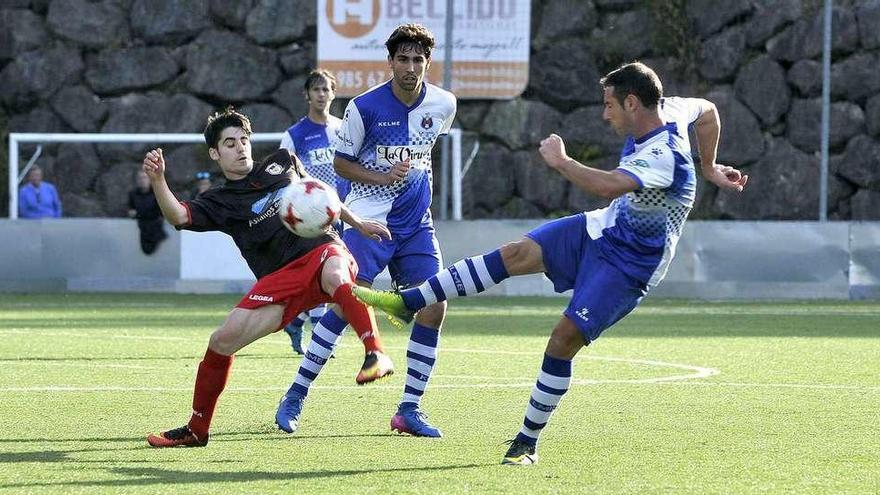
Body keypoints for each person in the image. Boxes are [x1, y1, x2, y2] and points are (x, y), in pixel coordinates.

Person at [354, 62, 749, 464]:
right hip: (601, 228)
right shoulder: (673, 109)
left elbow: (607, 184)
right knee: (516, 253)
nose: (604, 113)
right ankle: (409, 301)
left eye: (610, 105)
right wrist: (710, 167)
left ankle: (526, 441)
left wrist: (561, 162)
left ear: (633, 103)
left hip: (631, 265)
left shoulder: (665, 157)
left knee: (563, 339)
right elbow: (709, 113)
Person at [144, 107, 394, 448]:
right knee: (221, 341)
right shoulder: (219, 201)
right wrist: (159, 181)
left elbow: (320, 195)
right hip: (279, 280)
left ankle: (375, 353)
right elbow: (179, 214)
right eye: (230, 143)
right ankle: (197, 428)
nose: (240, 147)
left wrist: (357, 223)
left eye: (244, 140)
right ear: (215, 153)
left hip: (321, 250)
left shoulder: (282, 161)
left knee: (338, 276)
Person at [274, 23, 457, 437]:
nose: (411, 67)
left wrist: (411, 183)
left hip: (416, 226)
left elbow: (423, 156)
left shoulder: (444, 104)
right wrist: (383, 176)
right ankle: (295, 394)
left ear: (427, 62)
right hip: (368, 221)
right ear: (390, 62)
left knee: (434, 306)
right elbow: (342, 164)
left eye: (418, 60)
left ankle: (409, 409)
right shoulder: (364, 108)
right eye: (403, 59)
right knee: (343, 308)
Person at [279, 69, 347, 356]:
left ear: (333, 94)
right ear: (307, 95)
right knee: (325, 275)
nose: (321, 94)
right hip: (312, 218)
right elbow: (285, 174)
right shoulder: (295, 135)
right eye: (316, 89)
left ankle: (297, 320)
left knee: (339, 275)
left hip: (343, 213)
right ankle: (322, 342)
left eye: (326, 89)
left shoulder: (343, 130)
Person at [128, 169, 168, 255]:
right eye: (140, 178)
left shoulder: (157, 193)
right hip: (141, 227)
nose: (142, 180)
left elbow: (158, 212)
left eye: (145, 178)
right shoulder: (133, 194)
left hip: (155, 227)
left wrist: (138, 213)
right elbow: (131, 210)